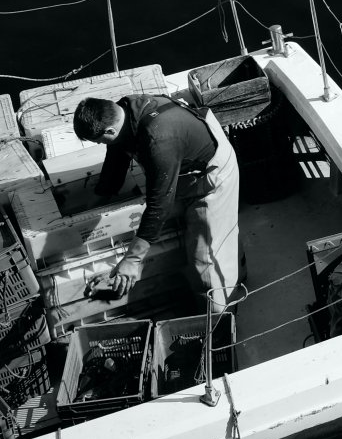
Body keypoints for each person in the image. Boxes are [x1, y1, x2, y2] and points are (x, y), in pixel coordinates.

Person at [73, 94, 241, 313]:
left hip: (212, 176)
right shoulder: (122, 111)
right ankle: (237, 270)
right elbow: (117, 156)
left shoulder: (158, 141)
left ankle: (221, 314)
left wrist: (132, 260)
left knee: (205, 260)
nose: (99, 145)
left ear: (110, 131)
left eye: (98, 141)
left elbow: (159, 205)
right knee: (213, 239)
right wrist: (95, 201)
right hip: (183, 161)